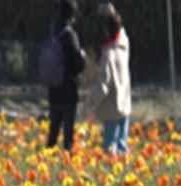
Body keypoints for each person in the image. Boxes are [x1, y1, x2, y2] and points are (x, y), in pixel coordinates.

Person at [90, 4, 131, 155]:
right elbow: (118, 28)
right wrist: (111, 13)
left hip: (112, 108)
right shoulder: (123, 44)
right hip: (125, 104)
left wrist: (90, 103)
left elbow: (103, 85)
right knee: (122, 146)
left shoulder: (108, 54)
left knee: (109, 148)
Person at [46, 0, 86, 151]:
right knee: (68, 134)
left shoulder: (52, 31)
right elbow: (77, 64)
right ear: (72, 14)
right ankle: (69, 162)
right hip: (68, 89)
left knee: (53, 130)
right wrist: (83, 57)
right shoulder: (69, 34)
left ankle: (46, 157)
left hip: (53, 87)